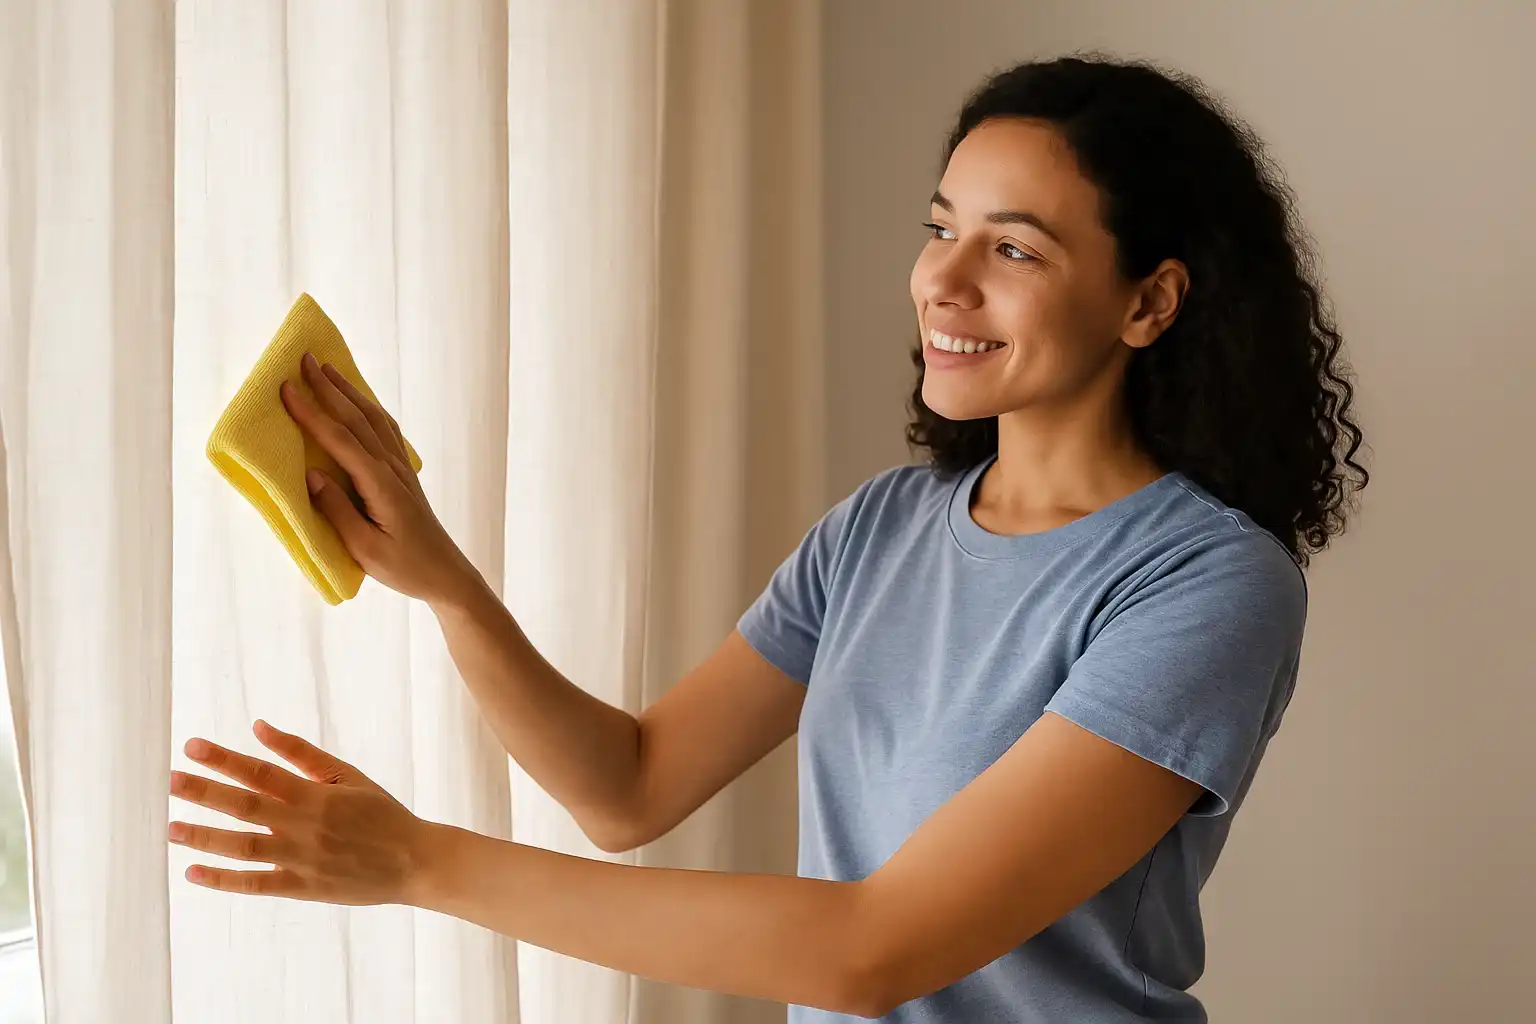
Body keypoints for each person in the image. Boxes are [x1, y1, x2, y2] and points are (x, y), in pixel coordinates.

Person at [168, 53, 1367, 1022]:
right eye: (940, 226)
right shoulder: (879, 529)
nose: (941, 281)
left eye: (1012, 248)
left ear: (1148, 302)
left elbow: (872, 951)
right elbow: (627, 787)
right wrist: (446, 584)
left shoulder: (1209, 584)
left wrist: (422, 863)